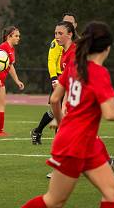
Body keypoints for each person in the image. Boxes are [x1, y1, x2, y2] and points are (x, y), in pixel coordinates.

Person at [22, 21, 114, 208]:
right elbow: (110, 114)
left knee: (111, 191)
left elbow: (55, 99)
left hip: (86, 142)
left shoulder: (75, 65)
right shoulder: (99, 73)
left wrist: (61, 122)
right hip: (74, 143)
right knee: (54, 201)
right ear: (107, 48)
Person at [31, 12, 78, 145]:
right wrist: (54, 78)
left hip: (76, 86)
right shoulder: (61, 46)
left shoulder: (75, 47)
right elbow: (52, 60)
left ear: (73, 28)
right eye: (55, 33)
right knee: (56, 111)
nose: (57, 36)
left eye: (70, 23)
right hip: (61, 79)